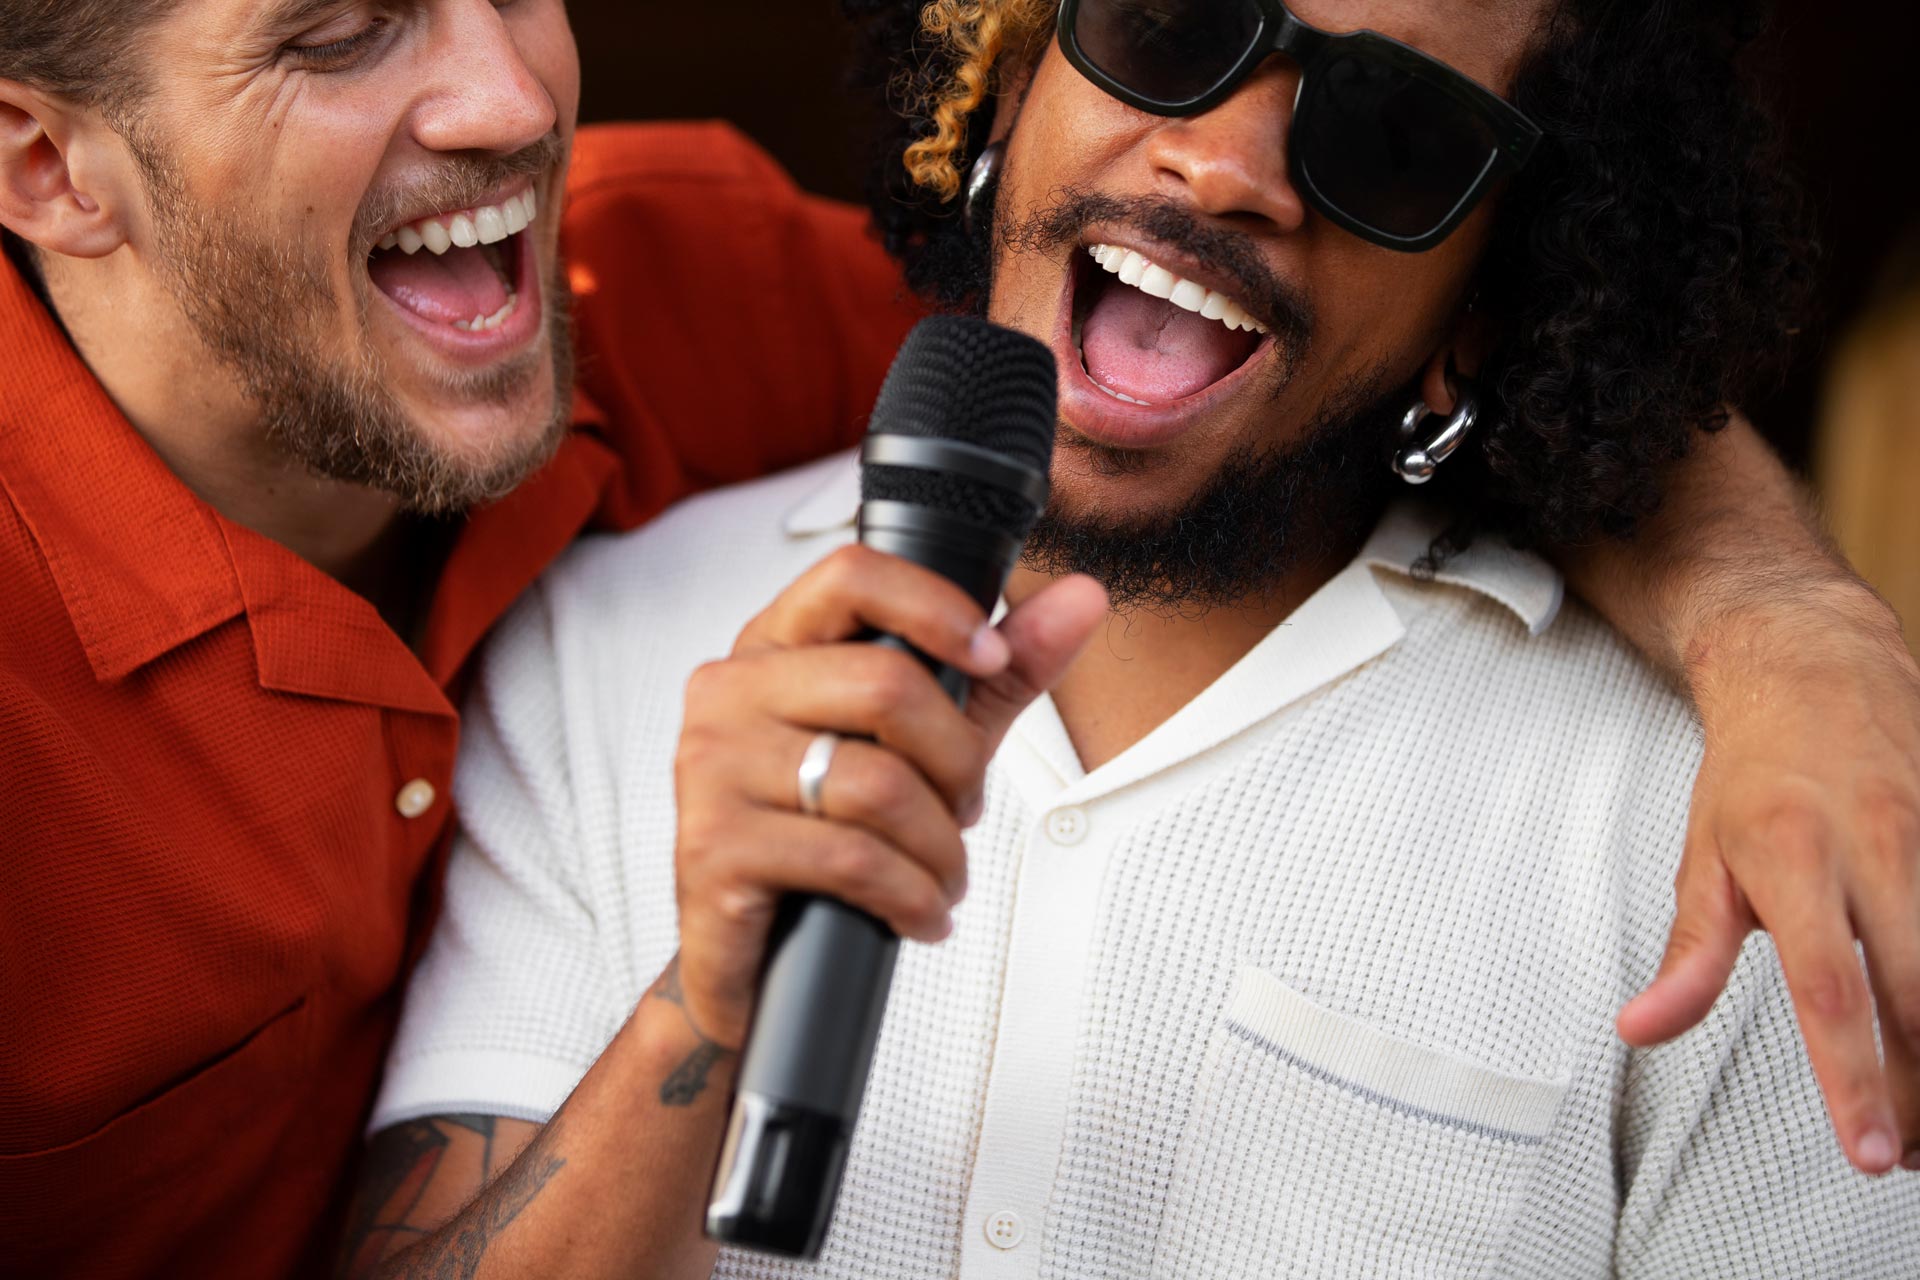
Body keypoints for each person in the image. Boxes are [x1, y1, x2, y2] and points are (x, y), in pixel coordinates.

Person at [0, 0, 1912, 1275]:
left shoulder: (660, 282)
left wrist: (1792, 627)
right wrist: (709, 992)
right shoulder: (617, 638)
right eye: (1169, 24)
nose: (1219, 163)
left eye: (1396, 139)